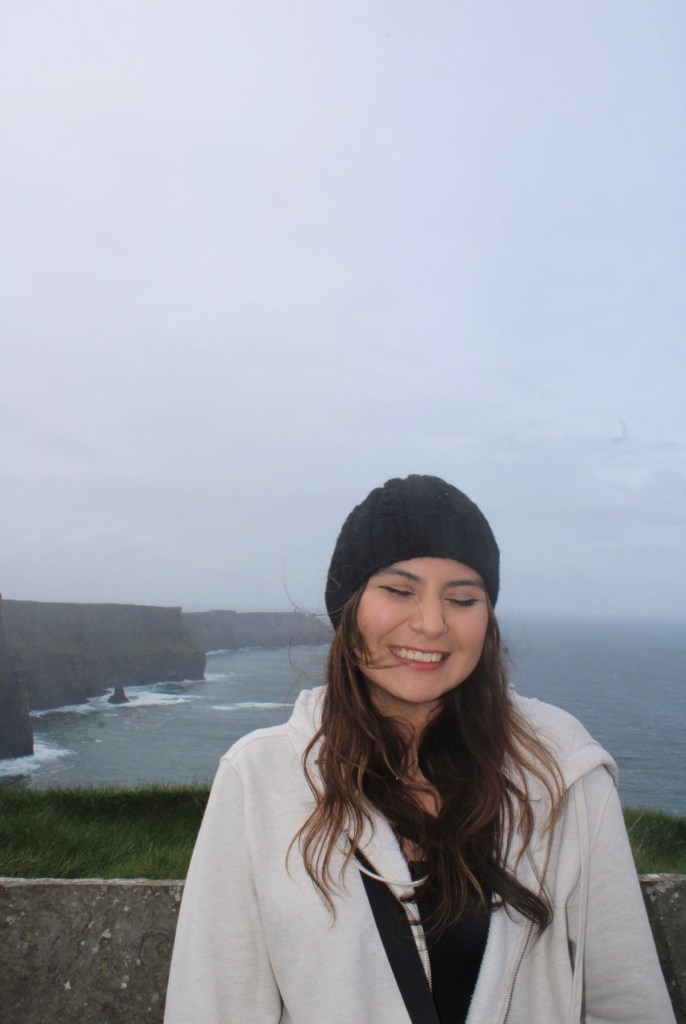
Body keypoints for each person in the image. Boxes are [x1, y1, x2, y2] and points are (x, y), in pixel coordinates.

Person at [164, 474, 675, 1024]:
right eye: (399, 590)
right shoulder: (259, 778)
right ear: (349, 606)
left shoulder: (563, 770)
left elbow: (626, 1001)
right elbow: (213, 1005)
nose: (431, 623)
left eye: (462, 598)